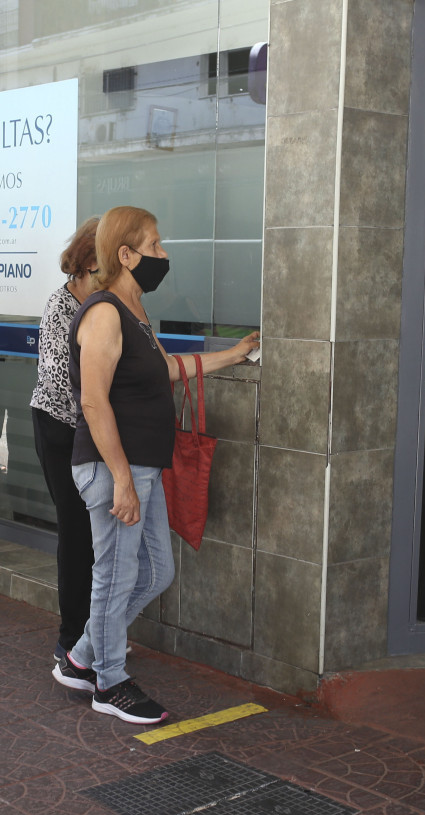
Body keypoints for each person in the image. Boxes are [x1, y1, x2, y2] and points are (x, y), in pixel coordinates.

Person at [50, 205, 258, 725]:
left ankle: (81, 658)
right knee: (115, 578)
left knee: (157, 572)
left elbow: (164, 369)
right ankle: (110, 683)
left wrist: (232, 356)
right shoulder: (102, 313)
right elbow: (93, 402)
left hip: (142, 468)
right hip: (114, 469)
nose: (164, 256)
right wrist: (121, 479)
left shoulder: (134, 312)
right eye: (156, 246)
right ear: (126, 254)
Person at [30, 218, 100, 660]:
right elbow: (62, 384)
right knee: (76, 534)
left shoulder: (108, 304)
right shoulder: (62, 306)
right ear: (91, 261)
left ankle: (98, 633)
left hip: (96, 430)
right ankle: (71, 638)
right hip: (61, 428)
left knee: (99, 538)